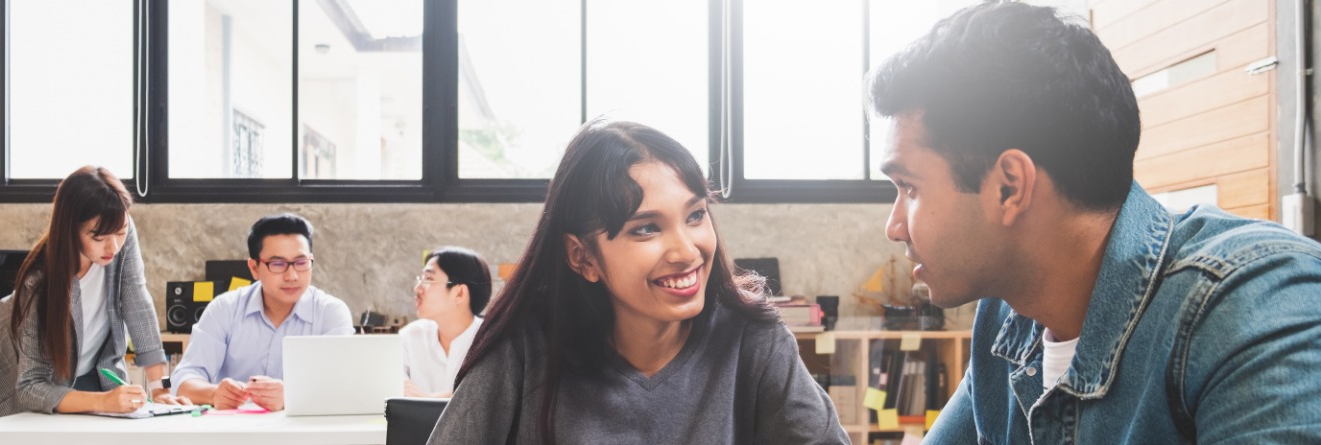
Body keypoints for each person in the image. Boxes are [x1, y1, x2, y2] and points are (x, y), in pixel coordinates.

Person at [868, 3, 1321, 443]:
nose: (894, 227)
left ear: (1009, 187)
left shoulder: (1254, 306)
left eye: (909, 187)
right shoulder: (1008, 315)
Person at [428, 121, 847, 444]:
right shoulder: (524, 347)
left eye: (696, 215)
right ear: (582, 257)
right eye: (646, 228)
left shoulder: (752, 339)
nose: (687, 251)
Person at [0, 165, 183, 421]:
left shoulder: (118, 228)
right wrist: (104, 401)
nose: (113, 246)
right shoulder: (38, 285)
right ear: (70, 230)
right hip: (42, 385)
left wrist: (161, 388)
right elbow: (30, 386)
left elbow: (137, 300)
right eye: (98, 238)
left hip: (93, 372)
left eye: (120, 232)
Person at [170, 213, 354, 411]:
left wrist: (289, 397)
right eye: (278, 264)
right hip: (236, 432)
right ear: (254, 268)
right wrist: (214, 394)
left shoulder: (331, 313)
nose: (292, 276)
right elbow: (184, 380)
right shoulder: (224, 309)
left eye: (301, 263)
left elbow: (342, 386)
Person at [400, 247, 492, 398]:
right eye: (420, 278)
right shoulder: (410, 336)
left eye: (428, 279)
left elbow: (487, 398)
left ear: (459, 293)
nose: (417, 288)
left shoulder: (490, 341)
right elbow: (391, 388)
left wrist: (425, 399)